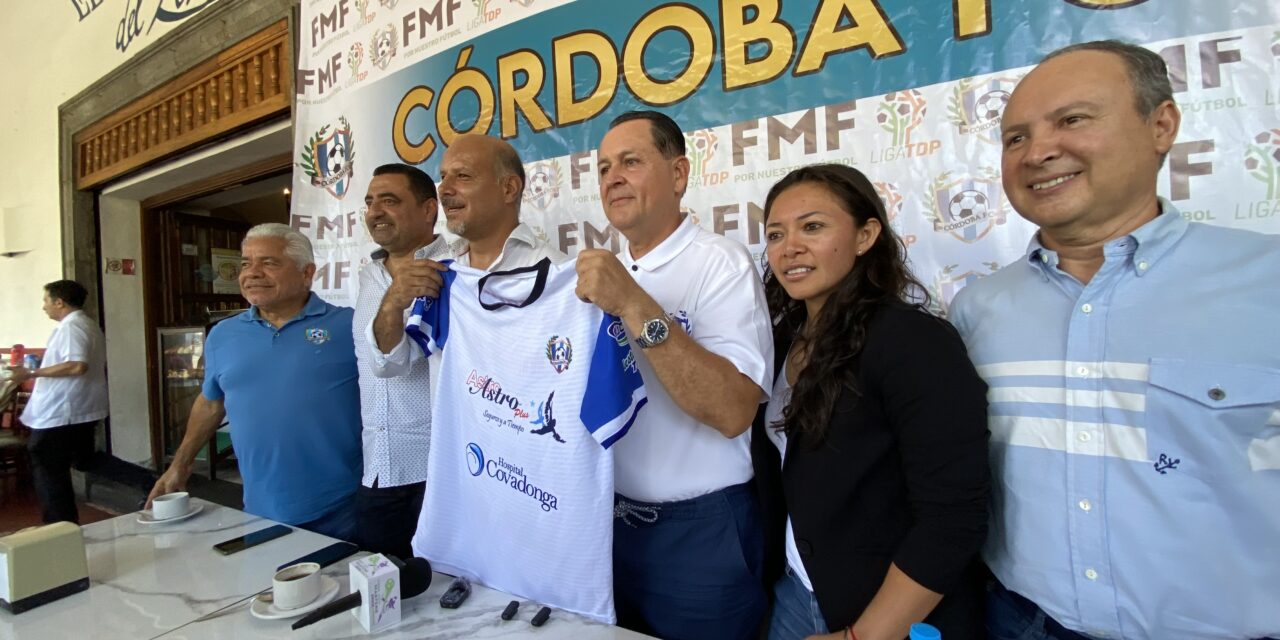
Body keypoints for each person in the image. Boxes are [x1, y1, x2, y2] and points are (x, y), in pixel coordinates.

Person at [949, 40, 1280, 640]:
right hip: (1020, 622)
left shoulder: (1267, 283)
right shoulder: (976, 310)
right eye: (1015, 138)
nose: (1040, 151)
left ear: (1162, 125)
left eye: (1072, 120)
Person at [753, 164, 989, 640]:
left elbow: (953, 516)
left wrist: (866, 635)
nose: (789, 248)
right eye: (775, 234)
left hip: (886, 616)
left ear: (866, 235)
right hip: (798, 595)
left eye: (812, 227)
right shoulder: (781, 340)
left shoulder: (914, 342)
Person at [575, 110, 774, 639]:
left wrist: (634, 304)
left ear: (679, 174)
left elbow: (733, 411)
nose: (612, 177)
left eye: (631, 162)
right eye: (602, 168)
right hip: (610, 524)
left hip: (701, 535)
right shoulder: (598, 277)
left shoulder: (720, 264)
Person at [148, 223, 362, 541]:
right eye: (246, 263)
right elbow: (210, 402)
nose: (252, 272)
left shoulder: (350, 325)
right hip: (259, 508)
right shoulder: (223, 334)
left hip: (345, 508)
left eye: (269, 262)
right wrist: (180, 464)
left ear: (307, 273)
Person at [368, 134, 565, 371]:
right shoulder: (437, 274)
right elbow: (390, 365)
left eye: (462, 176)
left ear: (509, 188)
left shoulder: (558, 274)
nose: (444, 190)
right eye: (443, 177)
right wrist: (392, 304)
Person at [352, 163, 449, 560]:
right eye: (370, 202)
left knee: (452, 599)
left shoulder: (458, 267)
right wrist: (392, 298)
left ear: (429, 209)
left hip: (441, 474)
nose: (375, 211)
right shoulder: (367, 275)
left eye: (389, 201)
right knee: (381, 599)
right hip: (377, 471)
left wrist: (394, 302)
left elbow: (392, 362)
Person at [10, 280, 108, 524]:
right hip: (77, 408)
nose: (44, 307)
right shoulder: (83, 325)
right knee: (85, 459)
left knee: (47, 467)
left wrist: (31, 374)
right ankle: (148, 481)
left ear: (59, 302)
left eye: (46, 300)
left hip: (64, 411)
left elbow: (77, 365)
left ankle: (59, 528)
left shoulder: (72, 328)